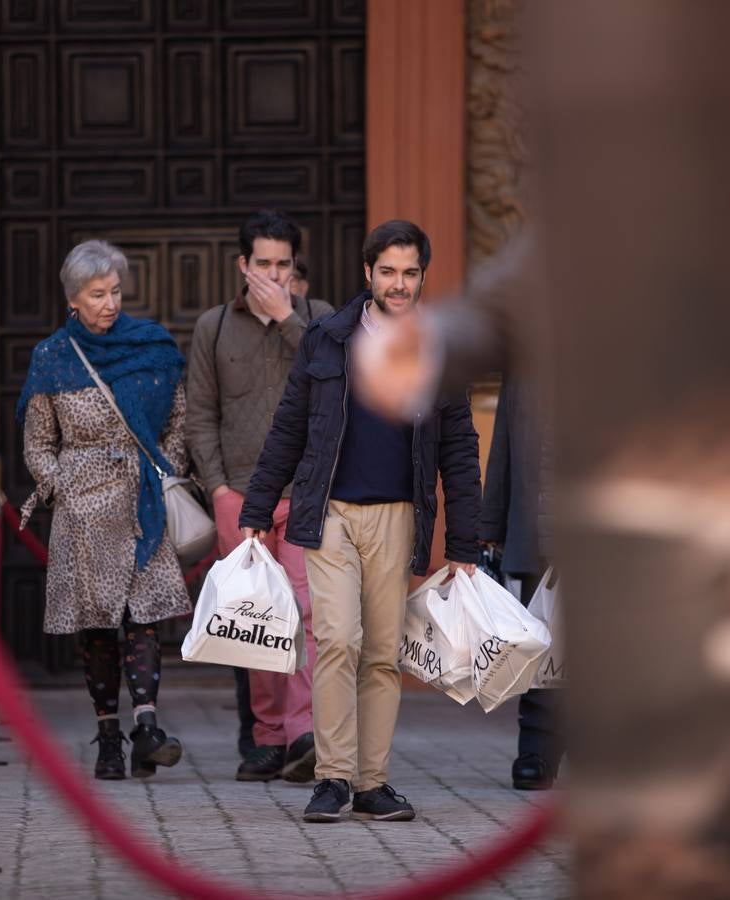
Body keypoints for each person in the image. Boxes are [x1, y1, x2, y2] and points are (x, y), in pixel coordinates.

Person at [239, 220, 483, 823]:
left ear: (422, 277)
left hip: (400, 515)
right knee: (337, 640)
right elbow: (289, 427)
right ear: (367, 273)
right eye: (388, 272)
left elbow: (458, 445)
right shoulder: (326, 338)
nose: (398, 284)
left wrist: (465, 542)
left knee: (380, 652)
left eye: (409, 274)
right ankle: (332, 777)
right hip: (330, 514)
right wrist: (257, 509)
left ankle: (371, 783)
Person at [19, 239, 191, 781]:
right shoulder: (52, 357)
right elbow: (37, 443)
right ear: (73, 299)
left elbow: (177, 421)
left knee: (143, 620)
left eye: (115, 291)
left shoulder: (151, 346)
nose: (110, 303)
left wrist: (167, 468)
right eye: (97, 294)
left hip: (142, 502)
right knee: (96, 626)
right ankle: (109, 739)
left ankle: (147, 729)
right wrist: (61, 483)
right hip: (83, 509)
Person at [185, 209, 333, 782]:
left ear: (296, 266)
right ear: (242, 265)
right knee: (254, 618)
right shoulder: (213, 326)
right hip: (240, 495)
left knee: (307, 614)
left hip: (305, 491)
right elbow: (201, 415)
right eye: (263, 264)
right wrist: (219, 487)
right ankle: (266, 738)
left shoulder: (319, 319)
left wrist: (288, 318)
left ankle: (303, 734)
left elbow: (336, 376)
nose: (273, 275)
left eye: (284, 264)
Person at [479, 375, 562, 790]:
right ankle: (536, 750)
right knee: (537, 649)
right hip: (533, 532)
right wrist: (490, 525)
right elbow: (503, 449)